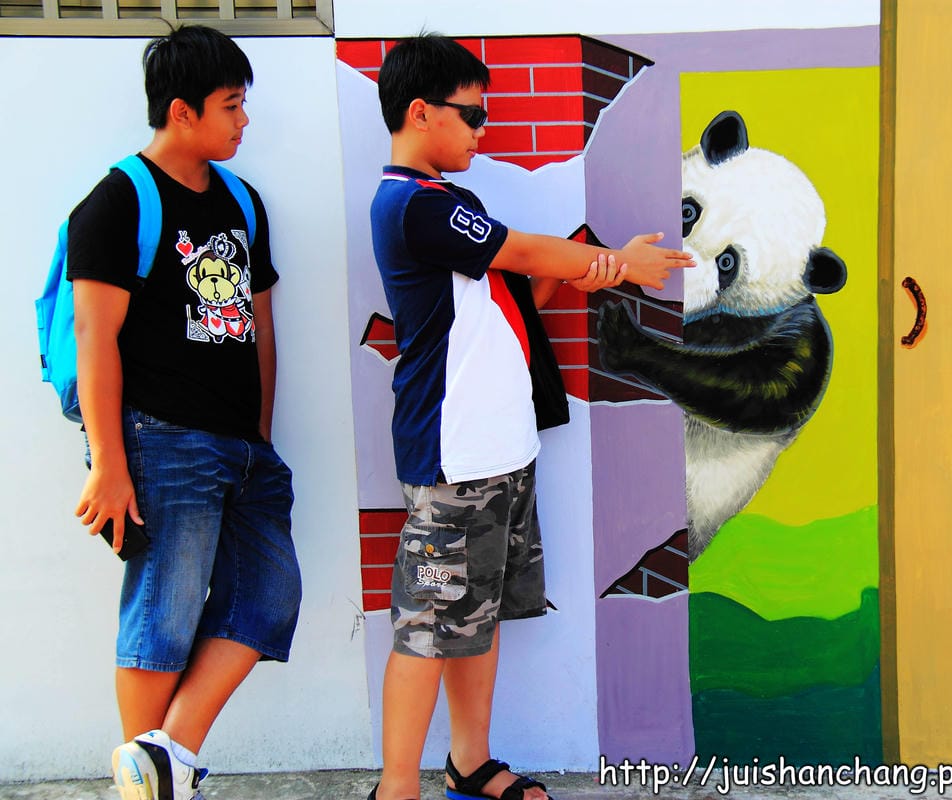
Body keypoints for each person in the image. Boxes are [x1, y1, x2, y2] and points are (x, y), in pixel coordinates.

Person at [368, 33, 692, 800]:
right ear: (421, 112)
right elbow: (521, 253)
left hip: (501, 450)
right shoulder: (411, 206)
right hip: (453, 458)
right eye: (473, 116)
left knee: (475, 618)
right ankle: (394, 789)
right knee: (428, 628)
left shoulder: (453, 203)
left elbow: (509, 295)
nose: (484, 131)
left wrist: (596, 269)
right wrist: (612, 263)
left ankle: (471, 763)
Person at [68, 24, 300, 800]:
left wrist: (262, 438)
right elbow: (94, 338)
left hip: (244, 446)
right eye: (231, 106)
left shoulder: (242, 201)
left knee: (269, 597)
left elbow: (261, 327)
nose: (243, 122)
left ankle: (161, 763)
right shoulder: (116, 202)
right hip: (159, 439)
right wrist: (108, 463)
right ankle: (153, 784)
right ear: (181, 110)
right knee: (164, 614)